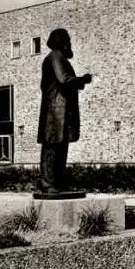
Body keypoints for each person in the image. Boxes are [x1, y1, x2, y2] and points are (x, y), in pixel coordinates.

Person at [36, 28, 92, 194]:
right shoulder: (55, 56)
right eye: (68, 42)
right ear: (63, 43)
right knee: (52, 146)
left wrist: (78, 82)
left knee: (60, 146)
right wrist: (82, 80)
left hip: (61, 111)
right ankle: (47, 182)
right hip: (55, 112)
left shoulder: (58, 58)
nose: (70, 45)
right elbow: (63, 79)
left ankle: (57, 182)